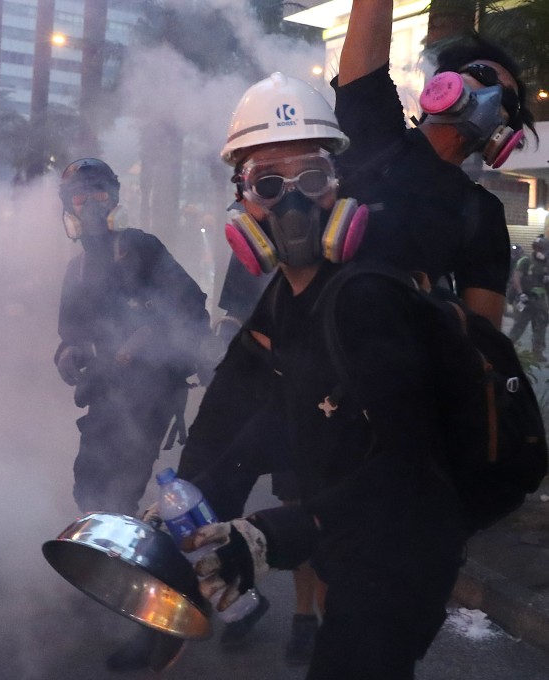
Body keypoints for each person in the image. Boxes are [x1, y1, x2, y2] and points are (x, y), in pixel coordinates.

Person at [176, 80, 467, 680]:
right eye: (268, 184)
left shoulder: (368, 296)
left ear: (339, 185)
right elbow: (244, 409)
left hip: (403, 551)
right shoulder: (282, 300)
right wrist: (190, 503)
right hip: (352, 542)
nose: (291, 204)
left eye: (310, 178)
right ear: (243, 199)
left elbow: (410, 464)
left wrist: (276, 530)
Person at [334, 0, 537, 328]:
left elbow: (484, 340)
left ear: (501, 134)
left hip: (393, 370)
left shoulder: (481, 213)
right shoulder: (375, 134)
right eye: (484, 75)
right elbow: (370, 20)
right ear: (445, 82)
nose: (494, 96)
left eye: (507, 100)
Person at [54, 158, 210, 518]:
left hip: (151, 393)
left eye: (99, 191)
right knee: (88, 485)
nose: (91, 202)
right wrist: (68, 351)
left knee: (123, 487)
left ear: (114, 198)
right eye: (80, 196)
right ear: (68, 206)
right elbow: (70, 331)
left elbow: (192, 309)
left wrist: (150, 338)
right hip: (105, 392)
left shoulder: (143, 248)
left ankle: (121, 564)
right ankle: (104, 558)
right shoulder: (76, 269)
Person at [509, 236, 549, 361]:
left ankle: (537, 352)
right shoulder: (526, 261)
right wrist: (521, 293)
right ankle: (508, 348)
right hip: (526, 299)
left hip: (540, 301)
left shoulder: (547, 264)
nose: (539, 250)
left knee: (541, 326)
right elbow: (516, 277)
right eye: (537, 247)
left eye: (541, 248)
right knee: (519, 325)